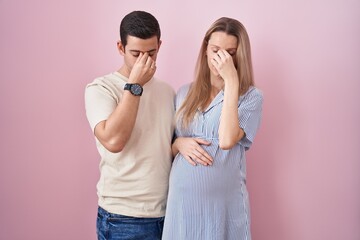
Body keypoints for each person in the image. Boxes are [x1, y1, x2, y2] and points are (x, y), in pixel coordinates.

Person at [162, 17, 263, 240]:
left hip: (223, 209)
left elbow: (227, 139)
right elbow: (165, 150)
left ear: (239, 55)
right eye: (215, 49)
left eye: (230, 52)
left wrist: (232, 81)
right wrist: (178, 143)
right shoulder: (184, 93)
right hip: (182, 208)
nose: (221, 58)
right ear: (205, 50)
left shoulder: (250, 97)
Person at [84, 11, 175, 240]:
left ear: (160, 46)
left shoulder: (167, 92)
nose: (144, 61)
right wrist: (134, 84)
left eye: (151, 53)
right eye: (136, 54)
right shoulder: (101, 88)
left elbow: (165, 149)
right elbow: (114, 141)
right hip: (123, 218)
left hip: (169, 213)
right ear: (120, 48)